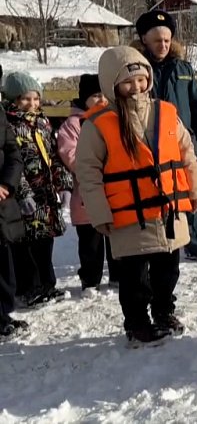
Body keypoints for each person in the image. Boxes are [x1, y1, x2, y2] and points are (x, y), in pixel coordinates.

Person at [76, 46, 197, 347]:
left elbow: (187, 154)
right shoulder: (98, 124)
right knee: (134, 279)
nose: (136, 87)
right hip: (127, 215)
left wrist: (195, 189)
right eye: (127, 81)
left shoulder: (166, 113)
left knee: (168, 271)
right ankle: (136, 323)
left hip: (168, 210)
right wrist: (99, 211)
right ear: (112, 84)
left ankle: (164, 312)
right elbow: (88, 171)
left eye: (141, 79)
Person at [132, 10, 197, 262]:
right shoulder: (136, 70)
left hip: (181, 141)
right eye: (157, 40)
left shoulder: (183, 69)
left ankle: (195, 242)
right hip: (147, 144)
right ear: (145, 40)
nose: (163, 45)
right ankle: (154, 243)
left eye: (167, 41)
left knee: (186, 189)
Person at [2, 71, 74, 307]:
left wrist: (63, 184)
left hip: (46, 194)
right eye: (25, 99)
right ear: (13, 100)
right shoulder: (9, 124)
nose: (31, 104)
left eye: (35, 99)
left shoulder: (42, 123)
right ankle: (28, 288)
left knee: (45, 241)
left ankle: (47, 284)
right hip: (25, 197)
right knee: (26, 245)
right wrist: (22, 193)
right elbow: (12, 162)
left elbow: (54, 156)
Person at [57, 73, 120, 295]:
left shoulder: (112, 118)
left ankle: (118, 275)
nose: (101, 99)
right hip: (85, 193)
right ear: (84, 98)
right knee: (90, 241)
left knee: (115, 236)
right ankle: (90, 279)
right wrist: (94, 168)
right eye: (95, 95)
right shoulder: (73, 124)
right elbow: (69, 153)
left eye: (103, 94)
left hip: (113, 189)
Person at [0, 65, 29, 340]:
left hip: (1, 198)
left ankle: (3, 314)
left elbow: (13, 152)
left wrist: (7, 183)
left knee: (3, 260)